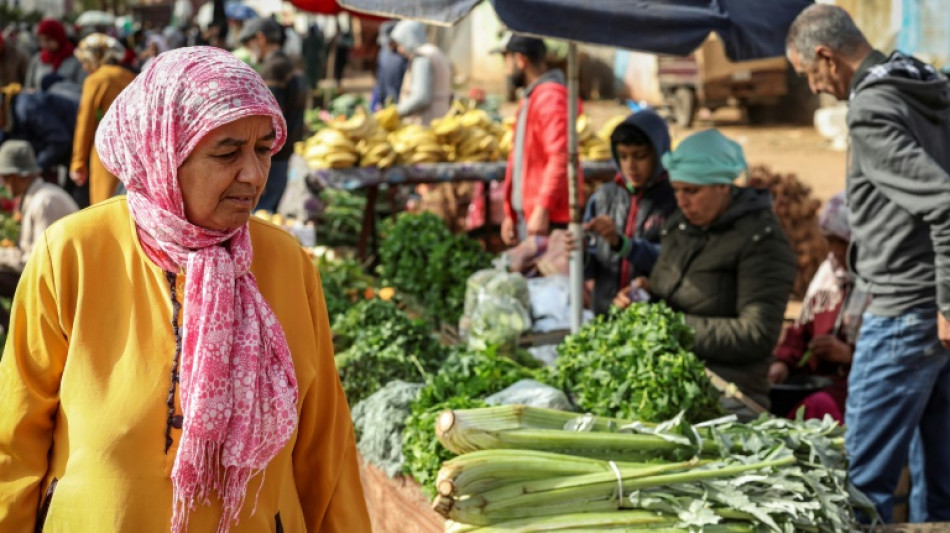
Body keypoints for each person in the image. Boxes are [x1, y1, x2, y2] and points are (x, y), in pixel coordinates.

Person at [0, 46, 370, 532]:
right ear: (162, 150)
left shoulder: (286, 264)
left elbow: (327, 448)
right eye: (227, 152)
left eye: (263, 150)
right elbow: (15, 442)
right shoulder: (72, 254)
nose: (255, 176)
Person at [786, 4, 950, 522]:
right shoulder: (923, 83)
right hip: (929, 310)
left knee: (861, 481)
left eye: (808, 75)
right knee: (941, 475)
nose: (813, 88)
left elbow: (943, 203)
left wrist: (948, 303)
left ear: (826, 57)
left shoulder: (872, 107)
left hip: (904, 309)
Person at [617, 129, 796, 415]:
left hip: (728, 393)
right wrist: (644, 291)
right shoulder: (681, 226)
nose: (682, 201)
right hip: (667, 379)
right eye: (677, 190)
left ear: (723, 186)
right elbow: (676, 289)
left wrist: (671, 327)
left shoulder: (762, 241)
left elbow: (756, 333)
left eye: (692, 191)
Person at [768, 193, 864, 423]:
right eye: (830, 242)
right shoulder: (828, 274)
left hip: (857, 386)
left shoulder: (880, 284)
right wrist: (784, 362)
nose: (834, 251)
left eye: (840, 243)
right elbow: (802, 329)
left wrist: (848, 355)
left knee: (816, 408)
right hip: (817, 379)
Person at [582, 109, 676, 315]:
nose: (630, 166)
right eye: (623, 157)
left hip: (654, 320)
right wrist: (579, 253)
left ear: (659, 153)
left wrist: (622, 244)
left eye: (640, 156)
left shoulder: (676, 200)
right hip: (607, 315)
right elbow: (590, 267)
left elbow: (674, 260)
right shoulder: (603, 198)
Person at [499, 34, 581, 245]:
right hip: (531, 213)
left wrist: (543, 208)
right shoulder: (532, 97)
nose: (506, 69)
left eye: (506, 60)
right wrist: (512, 212)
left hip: (549, 218)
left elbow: (561, 156)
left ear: (520, 60)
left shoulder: (549, 98)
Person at [0, 140, 77, 331]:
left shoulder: (45, 201)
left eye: (5, 177)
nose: (4, 183)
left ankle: (16, 333)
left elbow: (40, 263)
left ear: (15, 176)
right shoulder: (38, 197)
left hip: (61, 284)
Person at [239, 17, 306, 213]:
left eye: (248, 43)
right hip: (285, 154)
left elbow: (268, 121)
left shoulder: (273, 68)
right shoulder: (289, 63)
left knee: (260, 217)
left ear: (260, 39)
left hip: (274, 158)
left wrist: (259, 166)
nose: (249, 49)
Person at [70, 33, 136, 205]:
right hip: (134, 150)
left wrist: (78, 163)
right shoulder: (130, 75)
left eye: (85, 61)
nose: (84, 67)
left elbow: (85, 123)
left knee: (104, 206)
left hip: (106, 152)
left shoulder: (96, 80)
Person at [0, 83, 79, 202]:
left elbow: (59, 139)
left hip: (80, 148)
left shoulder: (26, 108)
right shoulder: (8, 119)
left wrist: (35, 168)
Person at [390, 20, 451, 126]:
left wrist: (395, 113)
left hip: (427, 122)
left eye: (401, 43)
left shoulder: (422, 58)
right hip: (441, 118)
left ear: (409, 38)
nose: (400, 50)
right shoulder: (435, 52)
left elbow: (421, 97)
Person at [25, 19, 85, 94]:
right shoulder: (37, 60)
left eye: (48, 40)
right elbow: (28, 86)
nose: (44, 44)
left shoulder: (76, 60)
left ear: (58, 37)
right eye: (41, 40)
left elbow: (82, 89)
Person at [370, 21, 408, 111]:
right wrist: (379, 100)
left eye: (391, 42)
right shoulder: (383, 53)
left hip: (402, 103)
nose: (389, 44)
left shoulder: (405, 55)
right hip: (387, 102)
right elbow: (380, 78)